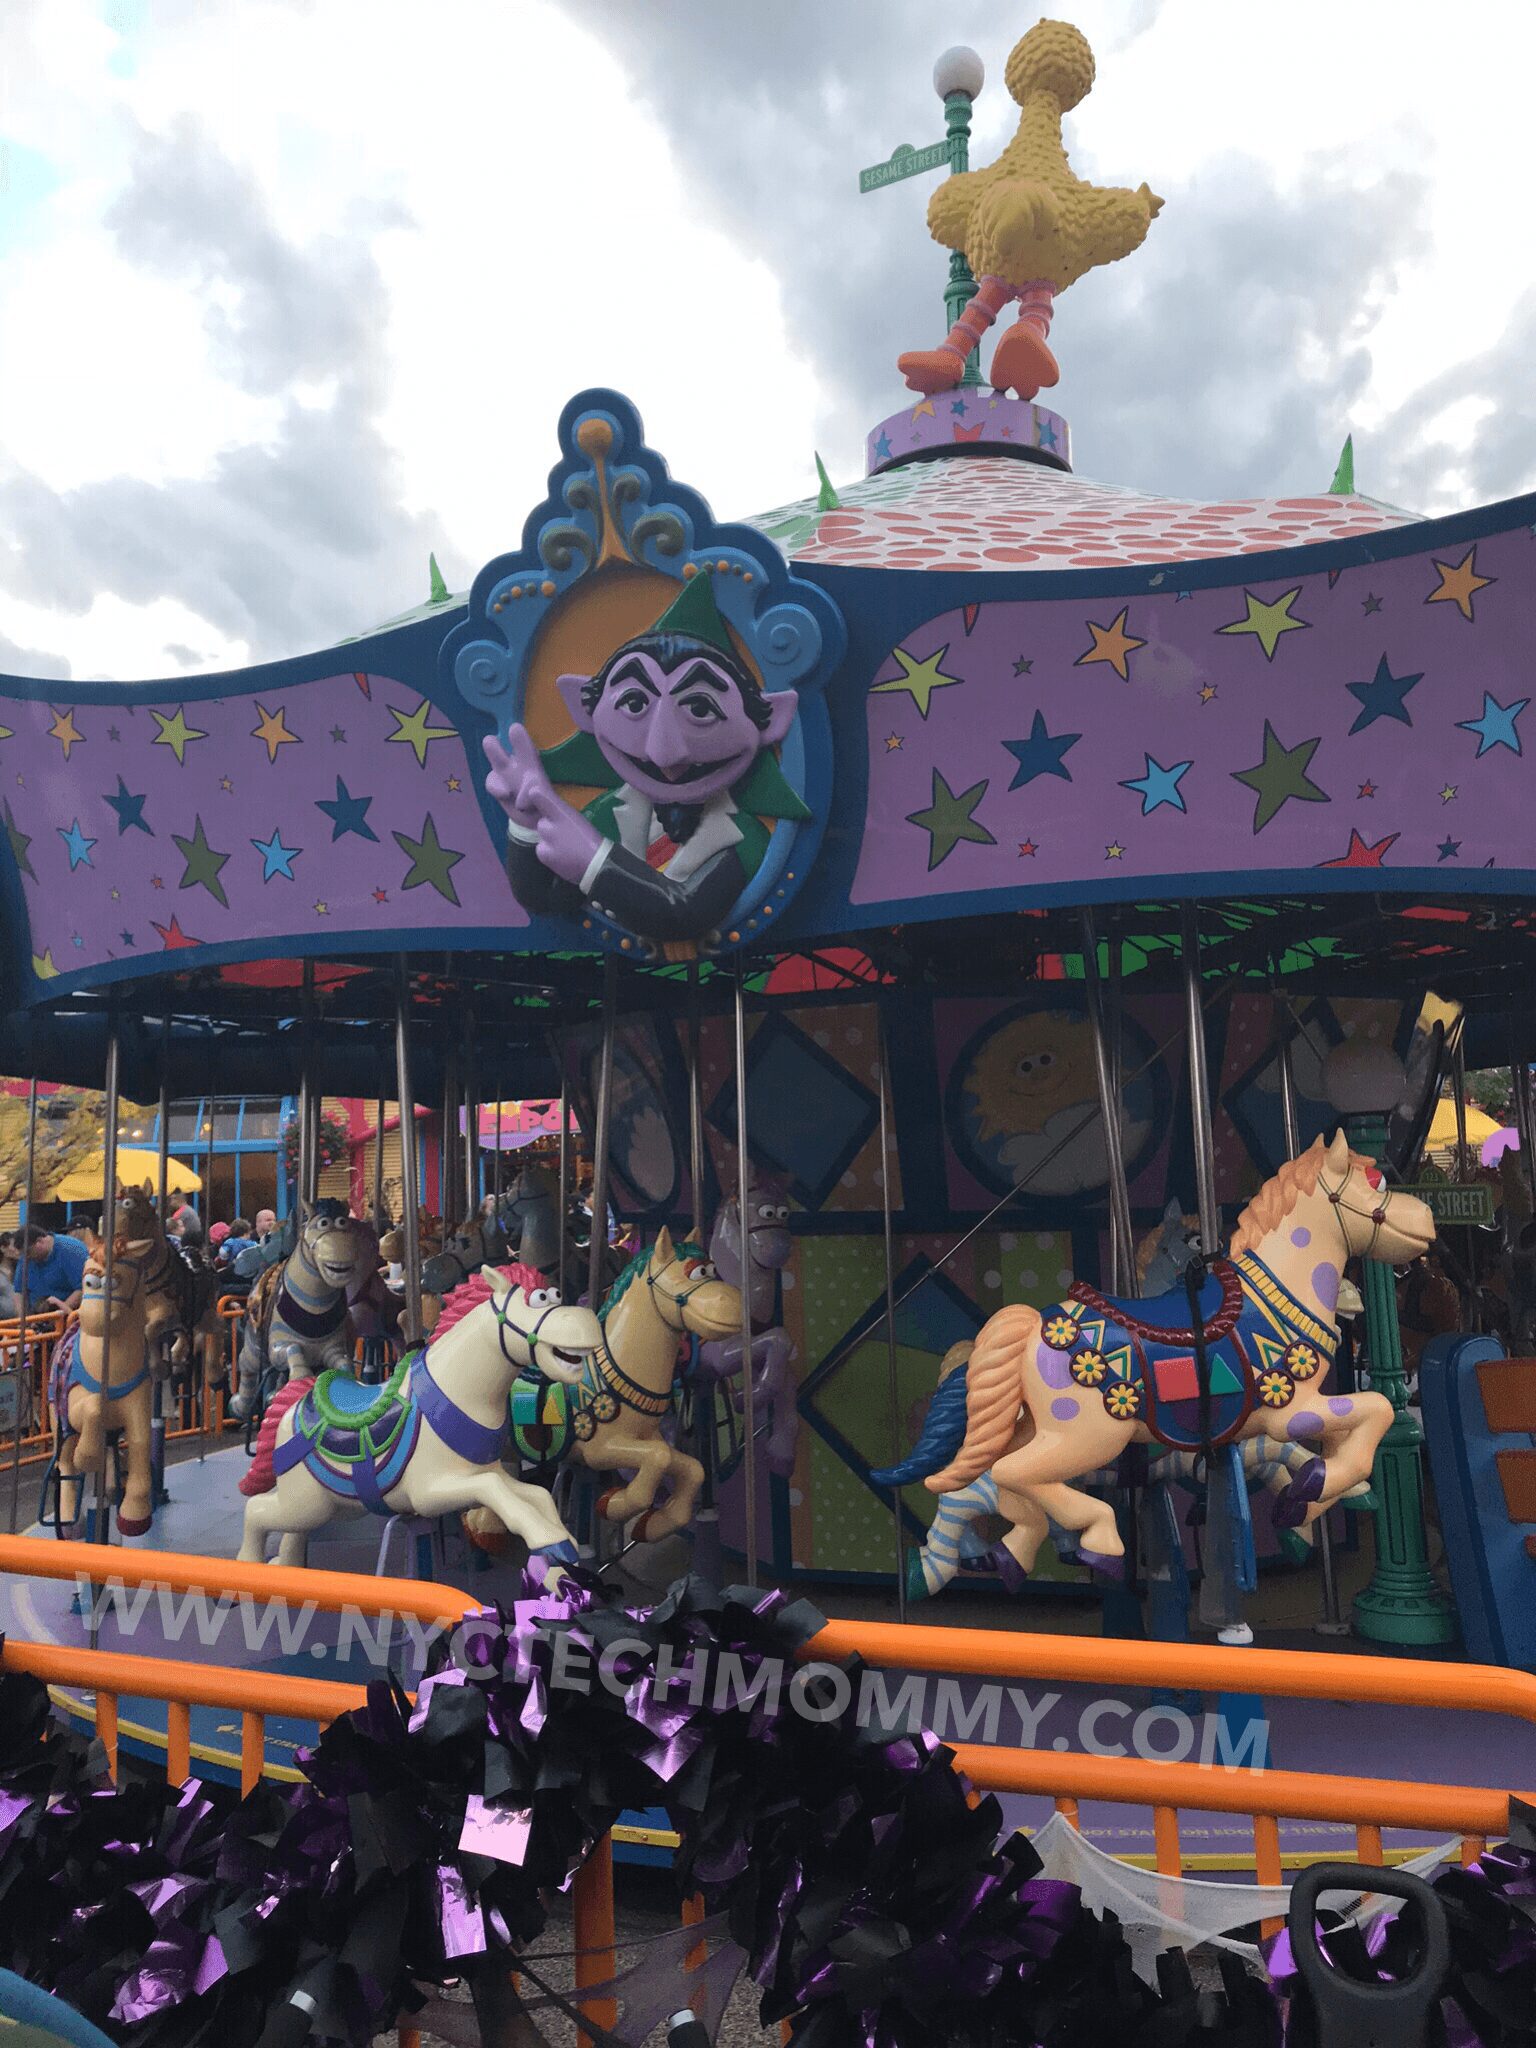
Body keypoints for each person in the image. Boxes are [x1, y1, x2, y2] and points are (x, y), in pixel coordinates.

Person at [483, 572, 807, 947]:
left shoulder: (743, 835)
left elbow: (684, 913)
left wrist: (594, 862)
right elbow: (548, 897)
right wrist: (526, 825)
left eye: (700, 707)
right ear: (583, 709)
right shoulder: (608, 814)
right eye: (635, 703)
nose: (664, 752)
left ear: (772, 719)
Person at [17, 1224, 88, 1312]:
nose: (26, 1258)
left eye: (28, 1252)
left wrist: (58, 1315)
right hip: (36, 1317)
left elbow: (83, 1289)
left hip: (69, 1316)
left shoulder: (71, 1249)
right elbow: (19, 1292)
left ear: (40, 1241)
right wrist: (22, 1321)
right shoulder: (26, 1257)